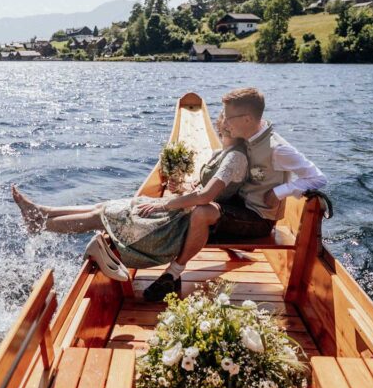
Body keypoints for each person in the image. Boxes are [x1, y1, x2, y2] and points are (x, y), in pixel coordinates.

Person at [11, 115, 249, 302]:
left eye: (223, 126)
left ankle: (42, 225)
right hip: (178, 213)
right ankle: (41, 213)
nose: (221, 130)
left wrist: (167, 202)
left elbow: (207, 198)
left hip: (175, 225)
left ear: (226, 130)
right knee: (104, 207)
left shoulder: (234, 158)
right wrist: (185, 188)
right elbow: (206, 192)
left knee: (103, 216)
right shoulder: (224, 153)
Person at [140, 87, 327, 298]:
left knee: (202, 212)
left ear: (247, 119)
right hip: (238, 206)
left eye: (228, 118)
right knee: (187, 207)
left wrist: (280, 191)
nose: (224, 123)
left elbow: (318, 177)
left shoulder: (278, 149)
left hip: (258, 218)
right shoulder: (247, 135)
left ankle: (172, 274)